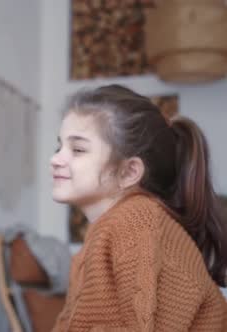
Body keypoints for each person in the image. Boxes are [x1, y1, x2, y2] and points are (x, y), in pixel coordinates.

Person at [50, 84, 227, 331]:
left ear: (129, 171)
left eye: (77, 149)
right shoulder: (100, 237)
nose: (55, 159)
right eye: (59, 147)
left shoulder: (136, 220)